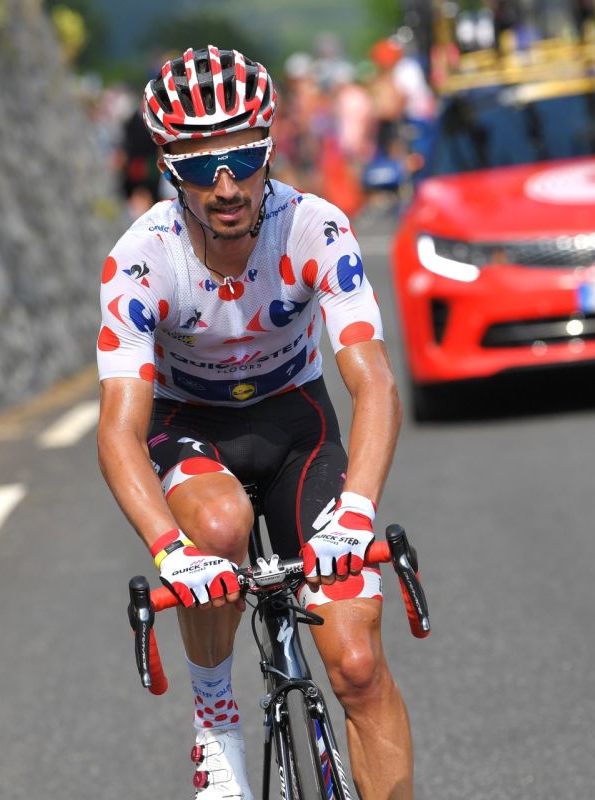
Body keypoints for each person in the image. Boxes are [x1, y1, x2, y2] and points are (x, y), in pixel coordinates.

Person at [96, 46, 412, 800]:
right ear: (169, 169)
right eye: (202, 167)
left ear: (270, 148)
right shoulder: (142, 260)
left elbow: (373, 382)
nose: (227, 186)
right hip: (188, 424)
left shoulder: (314, 229)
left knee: (358, 665)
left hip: (296, 424)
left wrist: (356, 514)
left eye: (243, 158)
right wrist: (170, 551)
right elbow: (118, 431)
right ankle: (215, 714)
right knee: (218, 525)